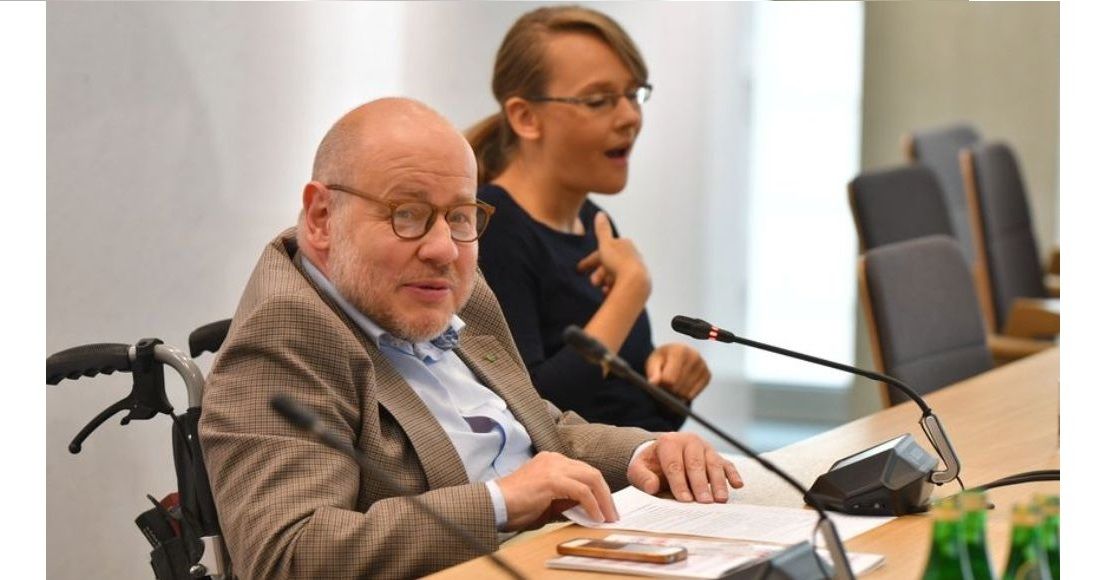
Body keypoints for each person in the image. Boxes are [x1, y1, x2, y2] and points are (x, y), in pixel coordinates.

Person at [199, 98, 743, 579]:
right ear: (322, 217)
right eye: (407, 214)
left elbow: (540, 430)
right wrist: (499, 503)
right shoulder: (286, 337)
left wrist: (646, 452)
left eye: (460, 217)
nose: (443, 248)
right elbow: (286, 556)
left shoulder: (453, 286)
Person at [468, 6, 710, 432]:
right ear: (525, 117)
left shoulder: (594, 221)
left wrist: (669, 378)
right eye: (599, 101)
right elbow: (530, 412)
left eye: (634, 94)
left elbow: (617, 401)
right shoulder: (494, 228)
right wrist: (629, 292)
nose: (630, 117)